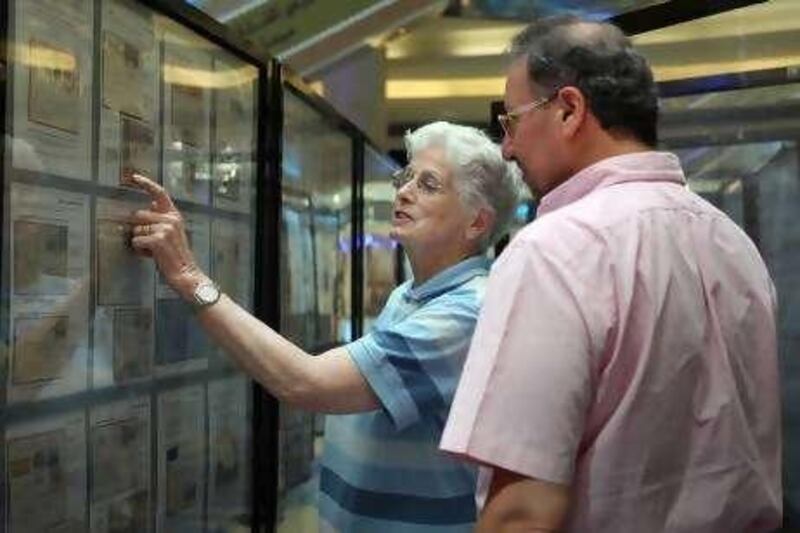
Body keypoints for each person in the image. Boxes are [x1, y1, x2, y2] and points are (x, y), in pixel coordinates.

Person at [440, 15, 782, 532]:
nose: (508, 148)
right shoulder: (733, 243)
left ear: (570, 110)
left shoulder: (554, 251)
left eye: (511, 121)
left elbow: (522, 513)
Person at [124, 121, 521, 532]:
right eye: (406, 177)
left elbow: (307, 383)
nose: (403, 191)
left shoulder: (468, 312)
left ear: (477, 222)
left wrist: (190, 277)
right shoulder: (412, 293)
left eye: (429, 184)